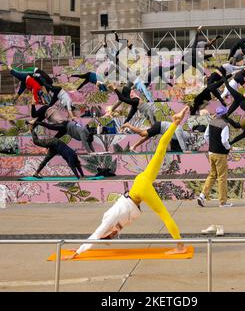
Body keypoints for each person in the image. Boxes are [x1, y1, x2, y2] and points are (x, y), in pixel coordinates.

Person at [62, 107, 189, 260]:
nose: (112, 235)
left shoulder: (110, 219)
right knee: (160, 150)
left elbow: (97, 232)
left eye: (110, 235)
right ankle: (175, 122)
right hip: (142, 183)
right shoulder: (119, 223)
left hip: (140, 189)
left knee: (164, 215)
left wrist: (78, 251)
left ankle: (180, 247)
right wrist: (108, 235)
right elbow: (112, 228)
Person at [197, 106, 232, 208]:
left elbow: (206, 136)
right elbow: (224, 141)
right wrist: (229, 148)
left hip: (211, 153)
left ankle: (202, 196)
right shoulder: (224, 125)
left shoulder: (211, 122)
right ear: (225, 114)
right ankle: (223, 202)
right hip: (220, 154)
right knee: (222, 177)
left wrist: (212, 145)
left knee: (212, 175)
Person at [121, 121, 191, 153]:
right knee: (142, 134)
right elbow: (180, 140)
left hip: (160, 129)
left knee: (146, 137)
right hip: (159, 126)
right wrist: (184, 150)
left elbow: (169, 140)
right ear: (184, 134)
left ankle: (133, 146)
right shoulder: (179, 129)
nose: (183, 139)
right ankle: (128, 125)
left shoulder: (176, 135)